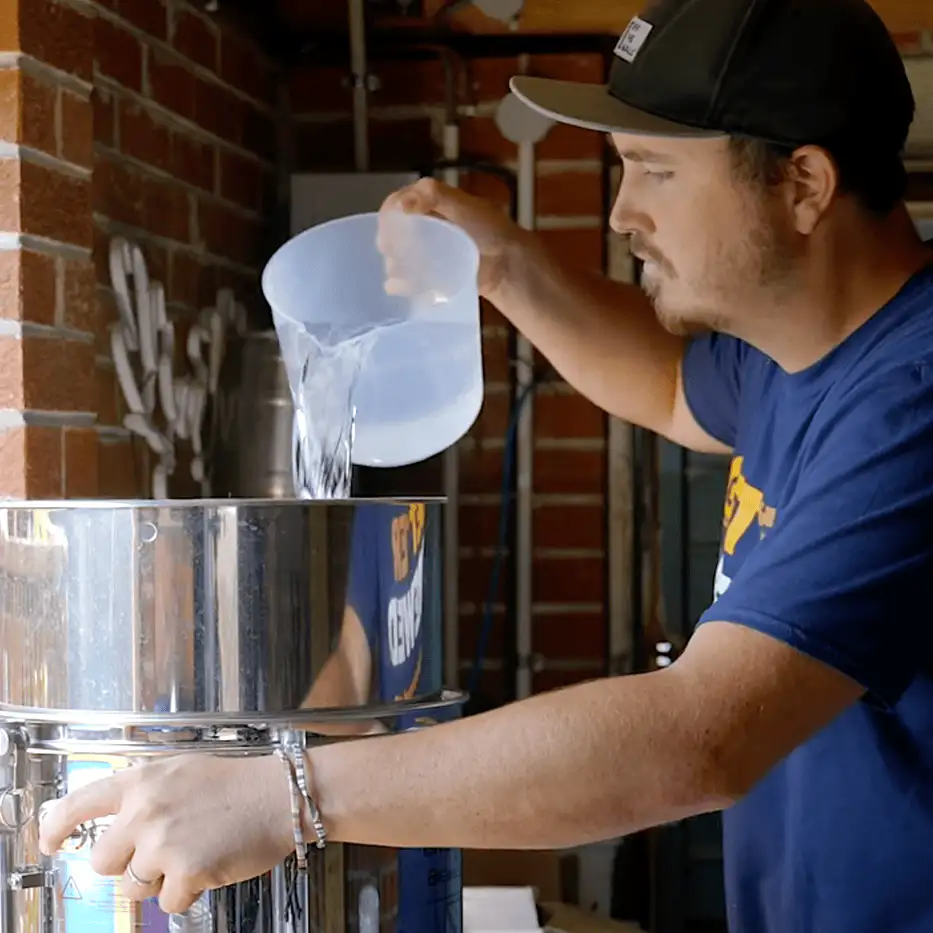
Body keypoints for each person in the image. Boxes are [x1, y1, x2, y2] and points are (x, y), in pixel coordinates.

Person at [38, 0, 933, 931]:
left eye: (656, 171)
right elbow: (669, 386)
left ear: (803, 184)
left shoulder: (911, 396)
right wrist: (499, 265)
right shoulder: (796, 351)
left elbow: (698, 735)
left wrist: (283, 797)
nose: (623, 211)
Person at [299, 500, 460, 933]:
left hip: (432, 822)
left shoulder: (412, 496)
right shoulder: (375, 513)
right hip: (402, 828)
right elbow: (351, 670)